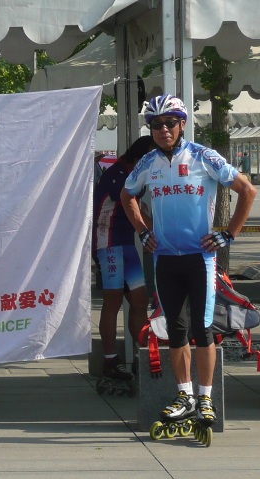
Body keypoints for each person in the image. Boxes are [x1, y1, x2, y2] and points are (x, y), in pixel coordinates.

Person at [120, 94, 257, 425]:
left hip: (200, 259)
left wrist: (230, 234)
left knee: (203, 328)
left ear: (182, 124)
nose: (163, 130)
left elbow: (247, 190)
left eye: (169, 123)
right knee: (175, 331)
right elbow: (128, 195)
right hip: (166, 259)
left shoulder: (202, 156)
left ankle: (206, 398)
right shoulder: (147, 163)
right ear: (150, 129)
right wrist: (142, 231)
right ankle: (185, 395)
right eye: (156, 125)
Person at [93, 135, 154, 385]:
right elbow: (133, 210)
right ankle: (110, 360)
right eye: (151, 158)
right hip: (108, 244)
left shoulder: (134, 174)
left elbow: (142, 210)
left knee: (140, 300)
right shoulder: (119, 172)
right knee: (113, 301)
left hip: (126, 245)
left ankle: (143, 357)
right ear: (139, 156)